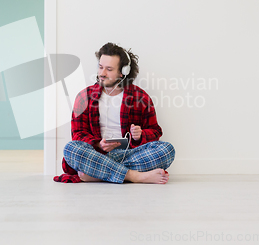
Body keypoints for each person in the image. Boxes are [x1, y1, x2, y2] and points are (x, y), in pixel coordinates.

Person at [59, 42, 175, 184]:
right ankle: (134, 176)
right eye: (100, 67)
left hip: (128, 154)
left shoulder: (140, 97)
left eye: (109, 69)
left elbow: (155, 132)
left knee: (167, 150)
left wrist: (140, 135)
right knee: (71, 149)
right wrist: (98, 145)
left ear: (123, 72)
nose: (102, 73)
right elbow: (78, 134)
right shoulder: (84, 97)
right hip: (96, 154)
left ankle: (97, 174)